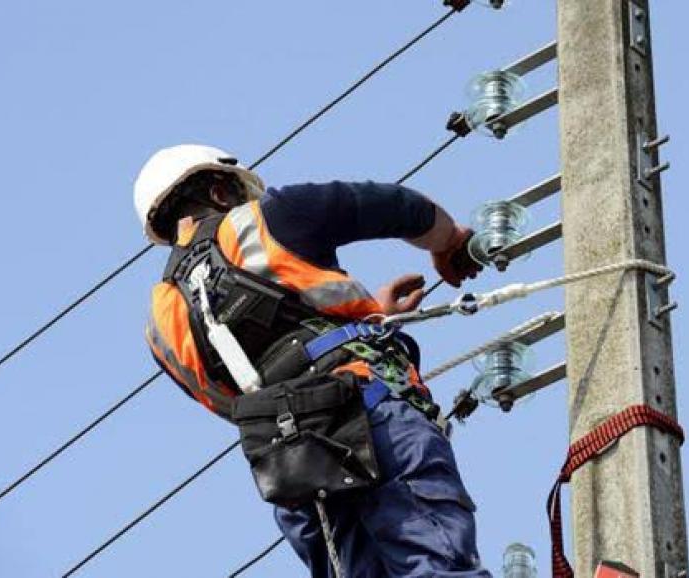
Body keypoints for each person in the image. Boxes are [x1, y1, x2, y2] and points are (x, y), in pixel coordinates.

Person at [134, 144, 491, 577]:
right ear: (218, 191)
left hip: (291, 469)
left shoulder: (159, 324)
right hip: (370, 420)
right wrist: (450, 241)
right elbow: (396, 207)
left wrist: (363, 321)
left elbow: (236, 399)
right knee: (436, 564)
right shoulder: (268, 218)